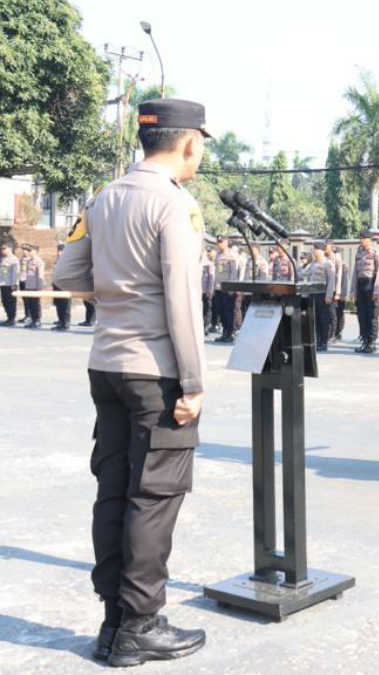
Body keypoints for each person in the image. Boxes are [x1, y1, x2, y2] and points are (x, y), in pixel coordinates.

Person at [53, 97, 209, 666]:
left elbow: (67, 272)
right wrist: (192, 383)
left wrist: (117, 293)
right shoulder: (175, 205)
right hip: (155, 373)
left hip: (106, 364)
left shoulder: (104, 197)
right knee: (154, 496)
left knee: (115, 490)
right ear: (189, 143)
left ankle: (114, 621)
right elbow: (182, 303)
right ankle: (141, 624)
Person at [353, 231, 379, 353]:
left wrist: (376, 290)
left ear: (369, 240)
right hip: (360, 285)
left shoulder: (376, 254)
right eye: (360, 238)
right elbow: (355, 273)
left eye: (364, 238)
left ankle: (372, 342)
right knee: (361, 315)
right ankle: (364, 341)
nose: (362, 240)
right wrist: (353, 291)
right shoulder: (359, 254)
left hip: (371, 285)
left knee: (372, 315)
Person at [304, 242, 337, 351]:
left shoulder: (328, 264)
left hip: (323, 295)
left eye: (315, 249)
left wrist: (329, 296)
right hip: (313, 295)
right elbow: (304, 273)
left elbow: (331, 281)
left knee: (324, 320)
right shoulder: (312, 264)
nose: (313, 251)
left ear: (320, 251)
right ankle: (317, 341)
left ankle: (324, 342)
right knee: (316, 319)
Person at [212, 236, 240, 343]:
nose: (219, 244)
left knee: (228, 312)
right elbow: (216, 272)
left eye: (221, 242)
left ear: (226, 242)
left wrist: (231, 288)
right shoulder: (218, 255)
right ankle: (224, 332)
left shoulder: (231, 255)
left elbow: (234, 273)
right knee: (220, 311)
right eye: (218, 242)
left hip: (228, 289)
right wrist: (214, 287)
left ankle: (229, 333)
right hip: (218, 288)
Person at [21, 244, 45, 328]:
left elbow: (40, 275)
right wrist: (27, 286)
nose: (29, 252)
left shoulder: (39, 261)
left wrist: (39, 287)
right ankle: (33, 320)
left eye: (31, 251)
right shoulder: (29, 261)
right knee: (30, 304)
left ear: (35, 251)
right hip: (29, 286)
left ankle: (37, 320)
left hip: (35, 286)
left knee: (36, 304)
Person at [332, 243, 351, 343]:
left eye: (336, 253)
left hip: (341, 293)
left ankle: (338, 333)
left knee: (340, 313)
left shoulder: (343, 266)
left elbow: (345, 281)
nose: (335, 255)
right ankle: (334, 333)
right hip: (333, 293)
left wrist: (344, 294)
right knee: (334, 314)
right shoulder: (332, 264)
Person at [51, 243, 73, 331]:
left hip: (66, 285)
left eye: (61, 251)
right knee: (58, 304)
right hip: (57, 285)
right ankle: (60, 321)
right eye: (58, 251)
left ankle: (65, 323)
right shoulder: (57, 260)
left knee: (65, 305)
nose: (59, 253)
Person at [0, 243, 19, 325]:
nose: (2, 251)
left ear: (10, 249)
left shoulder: (14, 259)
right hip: (3, 283)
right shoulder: (3, 259)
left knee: (11, 302)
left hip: (10, 284)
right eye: (2, 249)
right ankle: (9, 317)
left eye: (4, 249)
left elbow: (15, 273)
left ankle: (12, 319)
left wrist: (14, 284)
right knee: (5, 302)